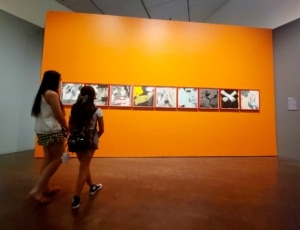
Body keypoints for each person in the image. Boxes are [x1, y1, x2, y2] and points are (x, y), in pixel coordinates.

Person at [29, 70, 69, 204]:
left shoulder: (42, 93)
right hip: (52, 129)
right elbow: (59, 114)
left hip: (42, 129)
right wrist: (66, 127)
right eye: (59, 79)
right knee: (59, 158)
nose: (60, 82)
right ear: (55, 80)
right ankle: (37, 189)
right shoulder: (52, 94)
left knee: (48, 158)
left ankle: (44, 187)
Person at [69, 86, 104, 209]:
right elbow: (102, 130)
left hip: (77, 141)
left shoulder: (74, 109)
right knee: (83, 168)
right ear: (93, 96)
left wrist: (76, 136)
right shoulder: (97, 110)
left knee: (84, 165)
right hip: (89, 143)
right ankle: (76, 197)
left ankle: (92, 186)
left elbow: (70, 127)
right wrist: (95, 138)